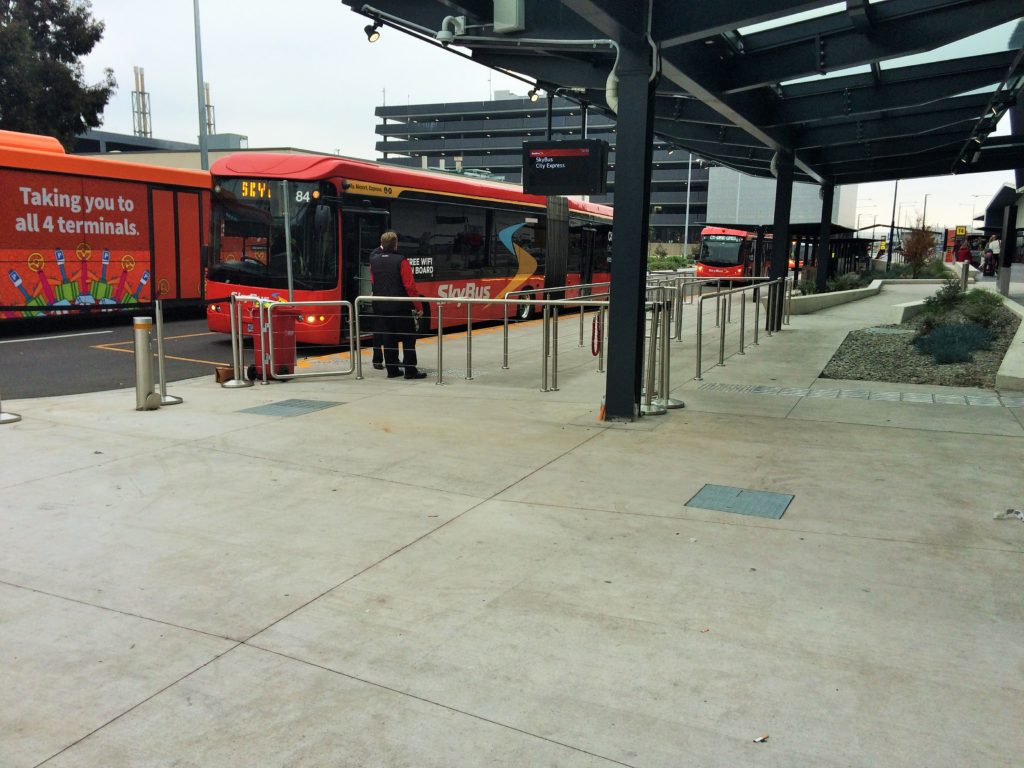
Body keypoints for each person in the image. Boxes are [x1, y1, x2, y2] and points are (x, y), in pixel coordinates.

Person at [369, 231, 427, 379]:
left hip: (381, 307)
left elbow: (374, 282)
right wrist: (418, 307)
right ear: (395, 244)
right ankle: (410, 371)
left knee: (389, 339)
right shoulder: (401, 260)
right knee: (408, 339)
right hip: (401, 307)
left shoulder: (374, 261)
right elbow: (410, 286)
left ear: (382, 243)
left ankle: (392, 370)